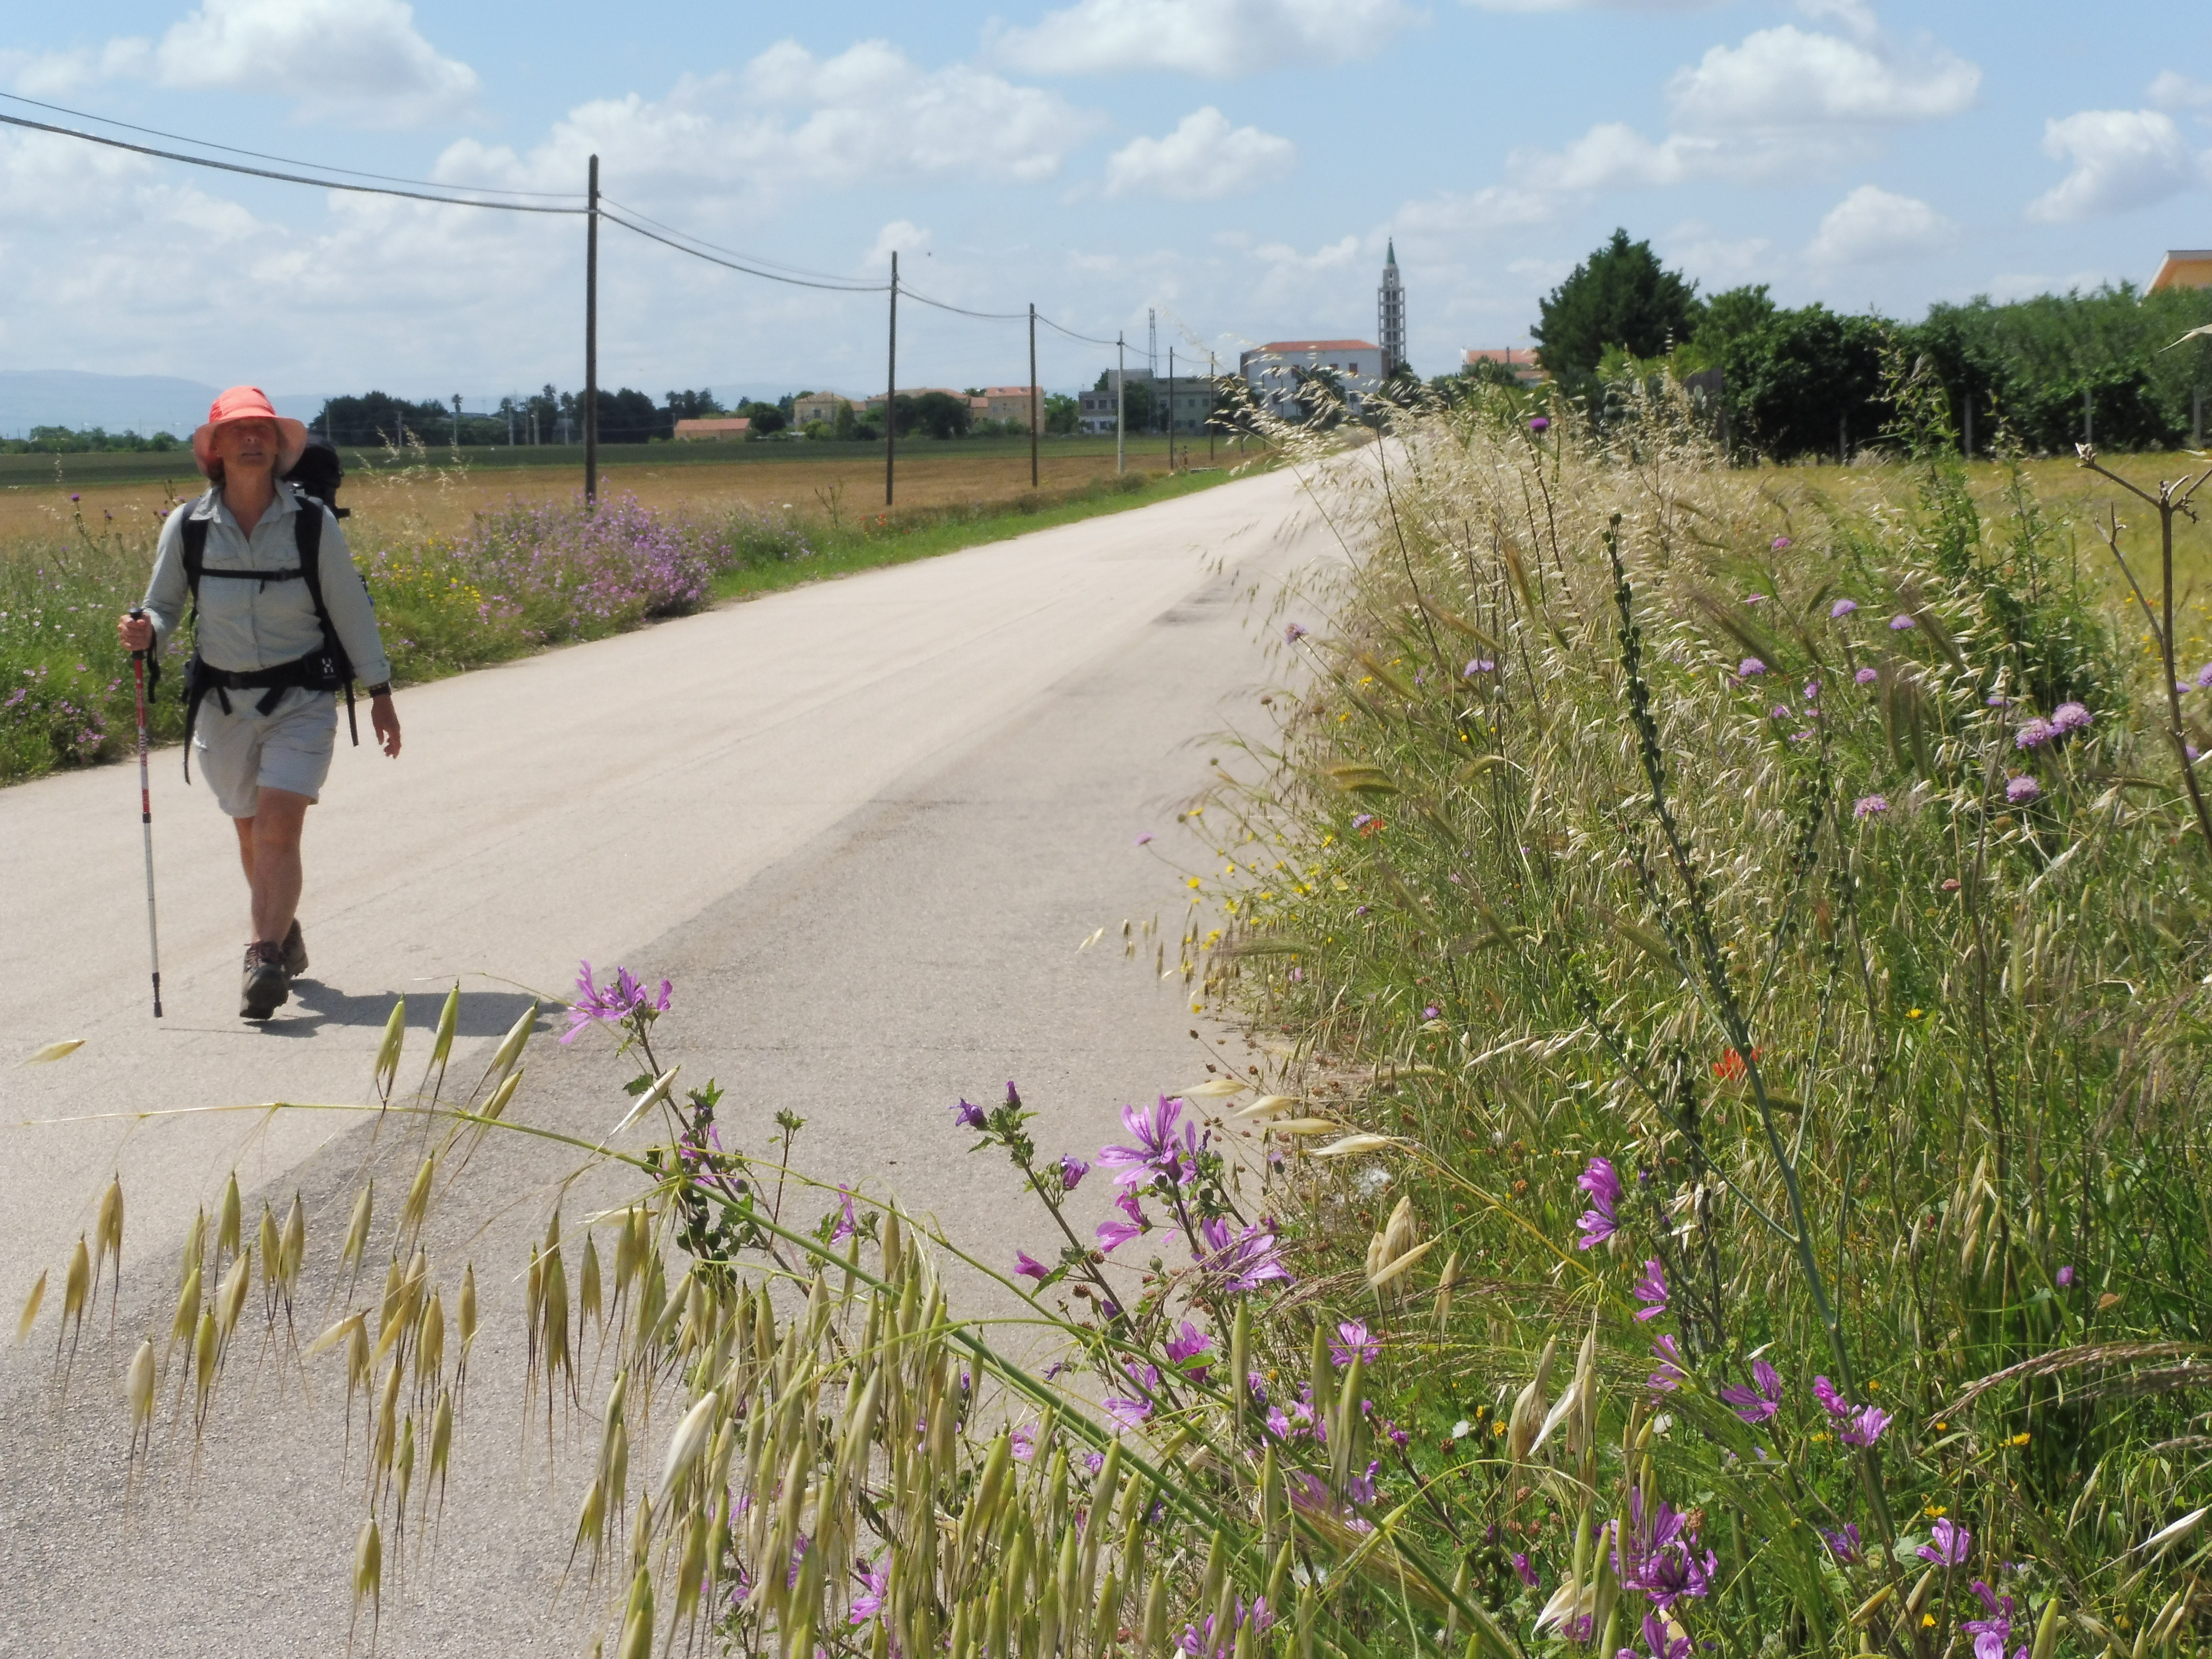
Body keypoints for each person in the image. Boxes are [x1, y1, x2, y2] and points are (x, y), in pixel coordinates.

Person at [117, 385, 401, 1020]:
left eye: (262, 431)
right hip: (222, 705)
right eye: (237, 431)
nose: (251, 440)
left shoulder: (311, 523)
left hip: (301, 700)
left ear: (278, 447)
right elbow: (162, 606)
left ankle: (262, 956)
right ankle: (282, 927)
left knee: (277, 826)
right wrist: (146, 631)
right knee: (250, 830)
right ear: (215, 449)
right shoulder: (188, 526)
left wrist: (379, 692)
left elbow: (351, 611)